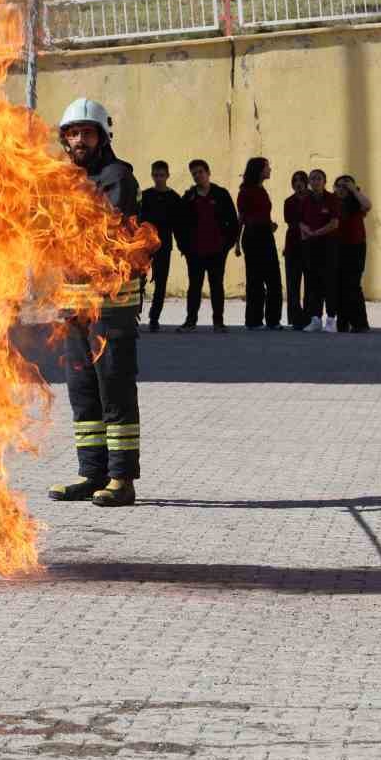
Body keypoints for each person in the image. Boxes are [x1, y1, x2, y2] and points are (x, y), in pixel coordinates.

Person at [46, 99, 143, 508]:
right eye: (71, 133)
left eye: (86, 133)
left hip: (111, 305)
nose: (78, 140)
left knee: (114, 389)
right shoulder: (63, 179)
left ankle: (122, 478)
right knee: (83, 392)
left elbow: (106, 228)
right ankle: (92, 473)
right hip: (74, 305)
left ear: (102, 136)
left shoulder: (116, 176)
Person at [174, 159, 237, 333]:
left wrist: (227, 245)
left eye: (200, 172)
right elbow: (179, 226)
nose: (197, 176)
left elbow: (233, 222)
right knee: (194, 286)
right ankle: (190, 321)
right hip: (195, 251)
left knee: (216, 285)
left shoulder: (221, 194)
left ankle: (218, 322)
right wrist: (184, 248)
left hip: (217, 250)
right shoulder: (188, 197)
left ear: (208, 173)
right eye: (194, 173)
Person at [235, 156, 282, 331]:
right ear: (259, 170)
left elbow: (261, 214)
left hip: (265, 235)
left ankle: (273, 320)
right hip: (253, 236)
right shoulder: (246, 191)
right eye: (267, 167)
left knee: (274, 279)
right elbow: (241, 218)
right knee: (255, 279)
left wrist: (270, 224)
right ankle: (253, 320)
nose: (270, 169)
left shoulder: (262, 190)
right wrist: (237, 242)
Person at [138, 160, 181, 333]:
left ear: (167, 176)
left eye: (161, 175)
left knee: (160, 283)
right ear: (152, 175)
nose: (158, 179)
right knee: (138, 283)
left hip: (164, 246)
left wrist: (183, 247)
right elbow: (137, 220)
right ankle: (135, 316)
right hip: (144, 246)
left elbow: (179, 225)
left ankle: (154, 318)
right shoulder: (146, 196)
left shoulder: (174, 198)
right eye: (156, 175)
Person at [300, 168, 343, 334]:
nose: (315, 182)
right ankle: (315, 319)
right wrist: (307, 231)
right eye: (312, 179)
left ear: (324, 182)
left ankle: (331, 320)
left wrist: (316, 232)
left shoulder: (332, 199)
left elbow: (334, 223)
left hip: (329, 246)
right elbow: (300, 222)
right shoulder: (306, 200)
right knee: (312, 283)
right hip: (311, 247)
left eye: (319, 179)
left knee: (329, 283)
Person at [334, 175, 372, 333]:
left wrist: (354, 190)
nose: (342, 189)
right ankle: (342, 323)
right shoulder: (333, 202)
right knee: (339, 285)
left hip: (355, 247)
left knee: (353, 285)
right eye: (339, 186)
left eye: (345, 186)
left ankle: (360, 323)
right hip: (337, 247)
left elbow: (367, 205)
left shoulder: (356, 203)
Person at [283, 171, 310, 330]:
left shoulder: (313, 199)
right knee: (293, 283)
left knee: (310, 284)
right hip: (293, 244)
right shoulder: (289, 201)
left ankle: (309, 316)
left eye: (301, 180)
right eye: (295, 181)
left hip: (311, 245)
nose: (298, 183)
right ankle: (295, 318)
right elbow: (290, 220)